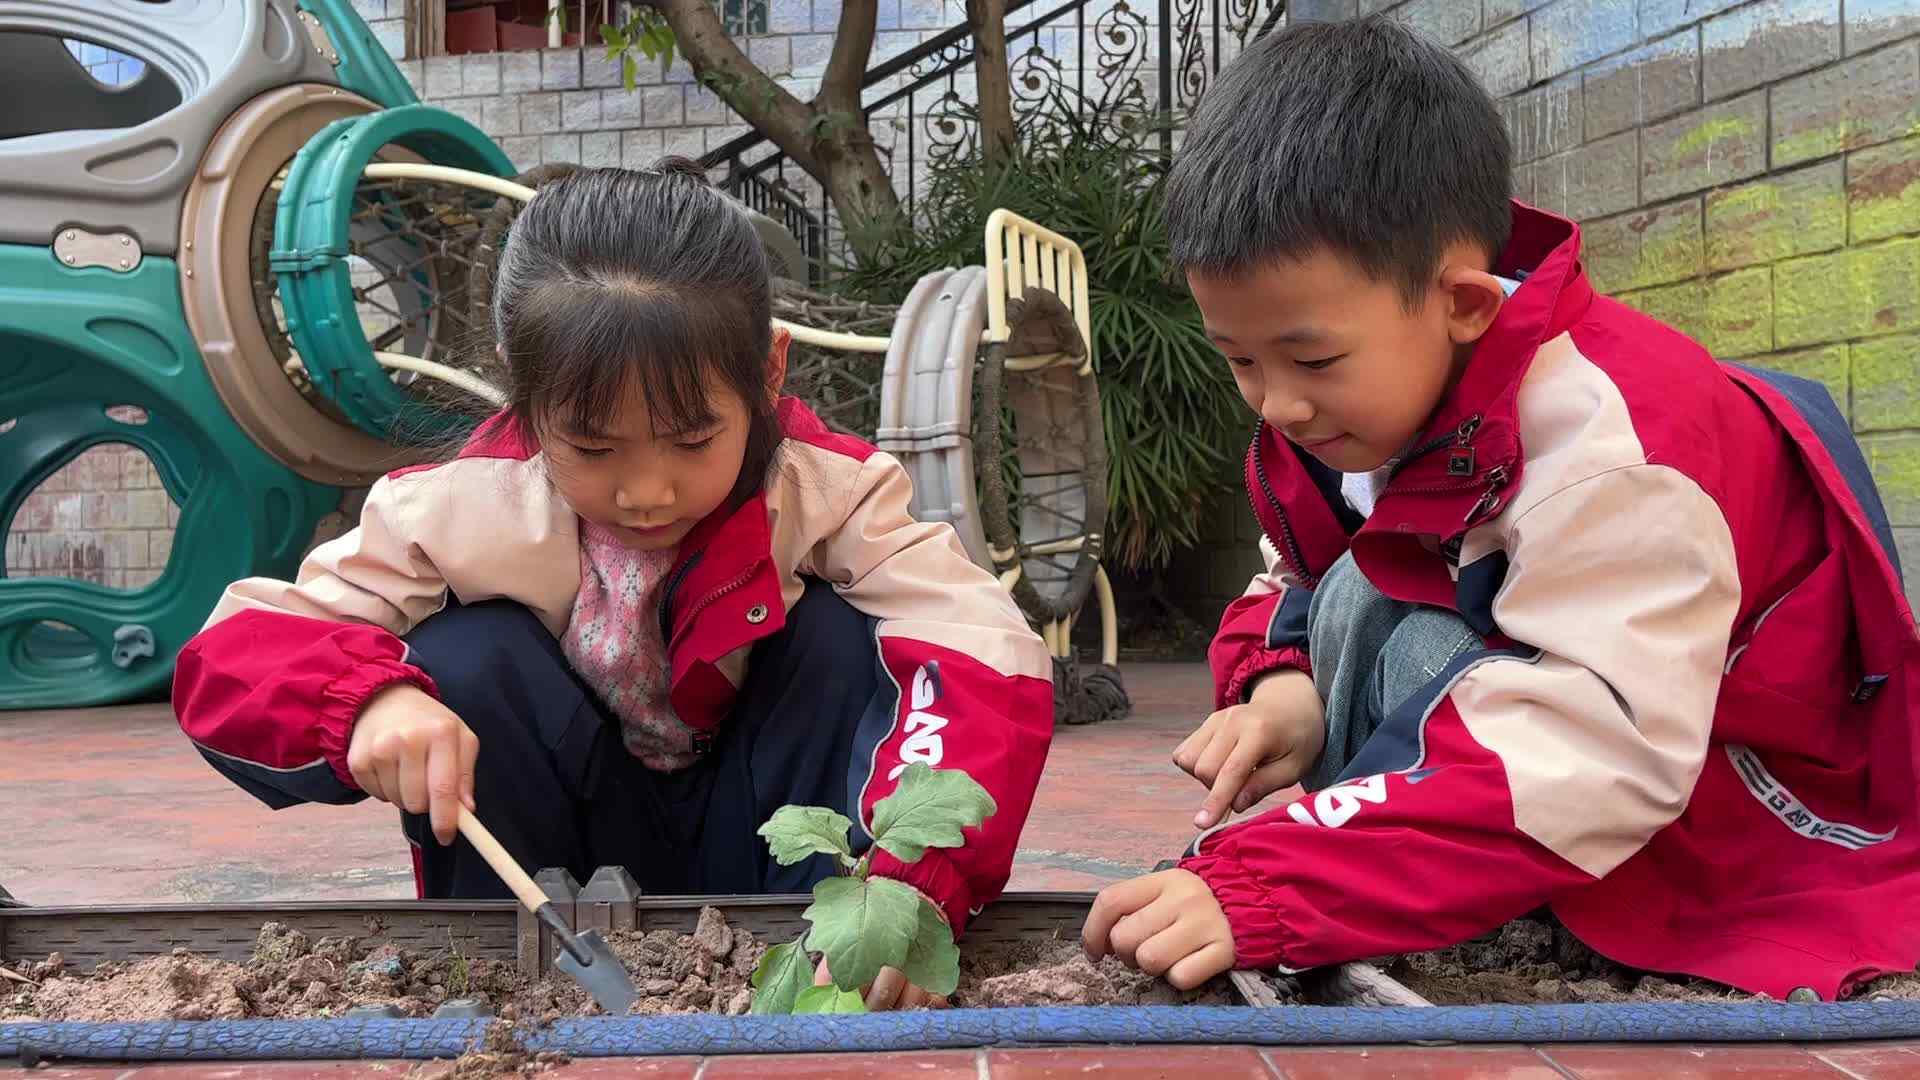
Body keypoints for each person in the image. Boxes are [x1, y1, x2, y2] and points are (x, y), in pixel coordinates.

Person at [1082, 14, 1920, 1001]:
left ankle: (1433, 877)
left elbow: (1599, 739)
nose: (1278, 404)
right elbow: (1296, 575)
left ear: (1464, 304)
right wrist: (1284, 692)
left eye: (1310, 359)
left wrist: (1270, 884)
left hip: (1710, 791)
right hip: (1537, 736)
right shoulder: (1365, 408)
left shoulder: (1611, 446)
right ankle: (1406, 864)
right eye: (1240, 362)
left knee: (1403, 637)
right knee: (1353, 597)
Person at [174, 162, 1055, 1011]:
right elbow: (238, 653)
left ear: (769, 373)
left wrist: (918, 876)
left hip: (765, 847)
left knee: (838, 637)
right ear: (524, 397)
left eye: (690, 439)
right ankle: (499, 976)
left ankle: (837, 952)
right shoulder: (456, 508)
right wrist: (361, 705)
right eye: (594, 448)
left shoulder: (826, 492)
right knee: (461, 655)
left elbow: (983, 646)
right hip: (548, 865)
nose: (647, 492)